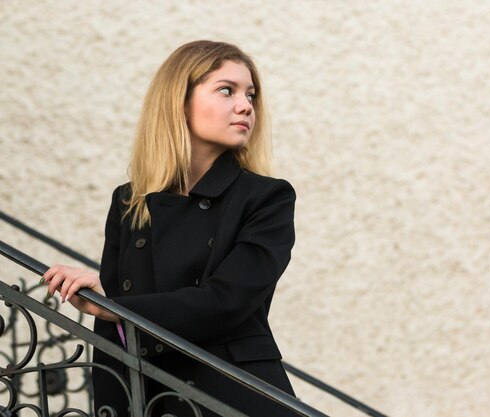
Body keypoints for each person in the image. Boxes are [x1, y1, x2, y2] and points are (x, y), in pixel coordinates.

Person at [42, 40, 298, 416]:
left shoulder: (266, 197)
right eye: (226, 90)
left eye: (251, 95)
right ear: (180, 100)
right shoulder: (130, 201)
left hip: (232, 395)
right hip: (151, 395)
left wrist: (115, 306)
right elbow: (117, 330)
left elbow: (227, 301)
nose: (246, 106)